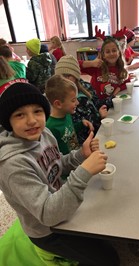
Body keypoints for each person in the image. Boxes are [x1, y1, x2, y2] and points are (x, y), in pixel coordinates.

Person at [0, 82, 120, 266]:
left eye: (37, 112)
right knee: (109, 260)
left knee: (108, 224)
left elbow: (57, 165)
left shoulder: (44, 133)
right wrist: (84, 171)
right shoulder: (13, 165)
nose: (32, 120)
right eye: (20, 115)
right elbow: (48, 214)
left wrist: (81, 155)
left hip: (60, 202)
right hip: (48, 230)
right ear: (8, 121)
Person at [55, 55, 108, 144]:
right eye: (60, 76)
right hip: (88, 142)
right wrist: (100, 117)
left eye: (67, 76)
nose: (64, 80)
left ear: (76, 77)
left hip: (101, 132)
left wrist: (111, 100)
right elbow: (81, 128)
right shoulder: (63, 100)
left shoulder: (86, 87)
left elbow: (97, 102)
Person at [45, 74, 94, 158]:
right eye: (73, 100)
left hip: (76, 158)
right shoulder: (50, 128)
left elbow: (68, 131)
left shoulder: (66, 114)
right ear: (58, 104)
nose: (77, 103)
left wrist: (81, 124)